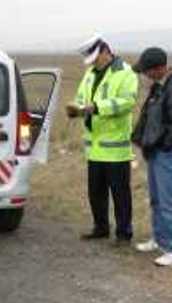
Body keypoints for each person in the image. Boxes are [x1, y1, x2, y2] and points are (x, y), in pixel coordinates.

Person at [65, 34, 138, 245]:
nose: (94, 64)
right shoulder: (90, 74)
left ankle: (124, 234)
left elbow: (126, 102)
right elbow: (81, 99)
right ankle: (100, 228)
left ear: (106, 51)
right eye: (91, 61)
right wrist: (76, 109)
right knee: (95, 192)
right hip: (94, 146)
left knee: (120, 194)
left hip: (115, 148)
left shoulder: (125, 73)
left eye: (96, 59)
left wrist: (96, 108)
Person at [131, 47, 172, 266]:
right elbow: (150, 117)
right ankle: (159, 240)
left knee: (169, 201)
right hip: (155, 152)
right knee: (157, 200)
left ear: (159, 68)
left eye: (147, 71)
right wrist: (142, 140)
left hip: (166, 154)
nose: (144, 75)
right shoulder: (158, 87)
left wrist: (164, 146)